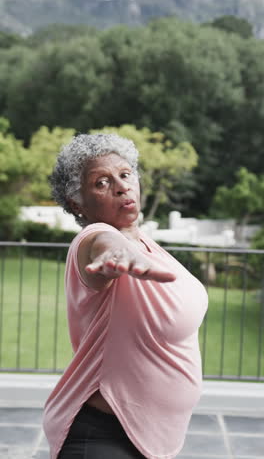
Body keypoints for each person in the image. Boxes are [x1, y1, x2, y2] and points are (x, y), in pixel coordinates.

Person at [43, 133, 208, 459]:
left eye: (125, 174)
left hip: (143, 438)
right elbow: (104, 243)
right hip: (99, 436)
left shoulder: (149, 246)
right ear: (78, 203)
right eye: (101, 182)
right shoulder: (92, 239)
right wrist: (118, 253)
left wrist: (133, 252)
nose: (120, 186)